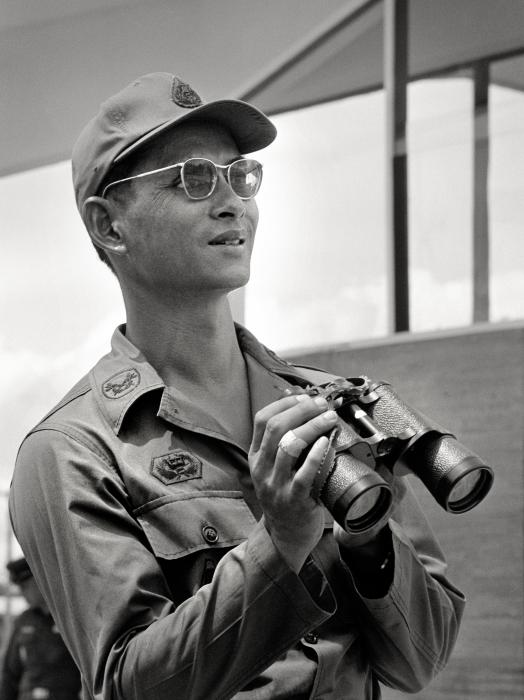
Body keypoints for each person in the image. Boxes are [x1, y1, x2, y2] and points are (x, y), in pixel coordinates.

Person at [9, 71, 465, 700]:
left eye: (241, 176)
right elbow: (130, 686)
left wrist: (368, 539)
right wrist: (279, 545)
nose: (232, 202)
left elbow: (422, 660)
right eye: (192, 179)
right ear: (109, 225)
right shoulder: (71, 452)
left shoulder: (327, 408)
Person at [0, 557, 81, 700]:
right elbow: (10, 673)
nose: (22, 593)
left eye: (25, 586)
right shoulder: (23, 621)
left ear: (39, 582)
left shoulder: (70, 618)